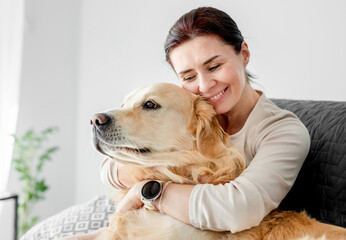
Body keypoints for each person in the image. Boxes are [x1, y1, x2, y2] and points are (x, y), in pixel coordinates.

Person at [101, 6, 310, 233]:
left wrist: (147, 191)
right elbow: (110, 167)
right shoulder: (185, 111)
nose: (204, 85)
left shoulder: (283, 131)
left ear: (244, 54)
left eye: (214, 66)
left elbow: (237, 209)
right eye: (189, 76)